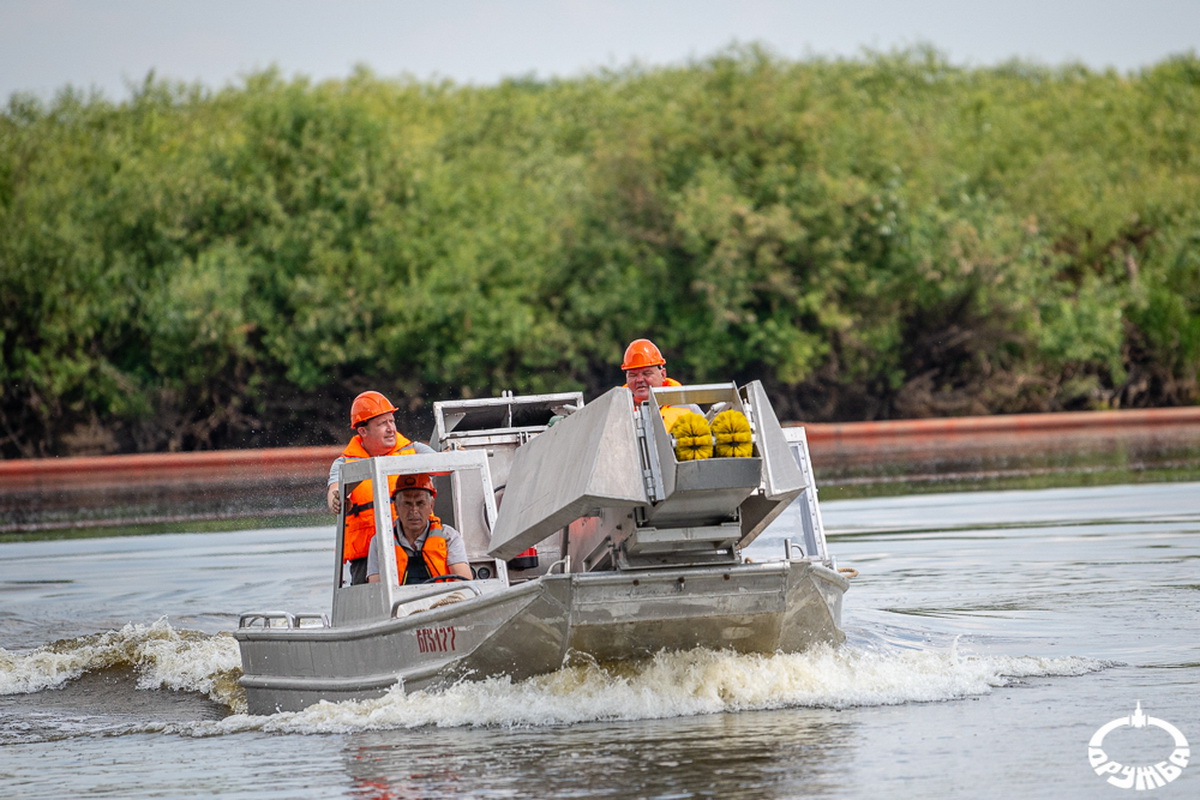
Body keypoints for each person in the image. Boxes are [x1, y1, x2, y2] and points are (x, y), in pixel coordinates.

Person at [327, 390, 435, 585]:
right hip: (366, 557)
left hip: (415, 548)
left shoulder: (416, 450)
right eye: (382, 423)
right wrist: (337, 499)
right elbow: (334, 490)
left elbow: (446, 465)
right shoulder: (344, 463)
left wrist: (456, 452)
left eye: (392, 421)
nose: (391, 429)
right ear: (363, 431)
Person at [366, 473, 473, 584]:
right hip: (398, 601)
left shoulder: (449, 536)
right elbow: (376, 586)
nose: (414, 510)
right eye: (407, 504)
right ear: (396, 508)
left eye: (420, 503)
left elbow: (464, 581)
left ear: (431, 506)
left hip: (444, 600)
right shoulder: (380, 541)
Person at [620, 338, 700, 430]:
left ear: (663, 374)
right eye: (633, 375)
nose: (639, 380)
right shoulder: (616, 413)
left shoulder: (687, 408)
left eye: (647, 373)